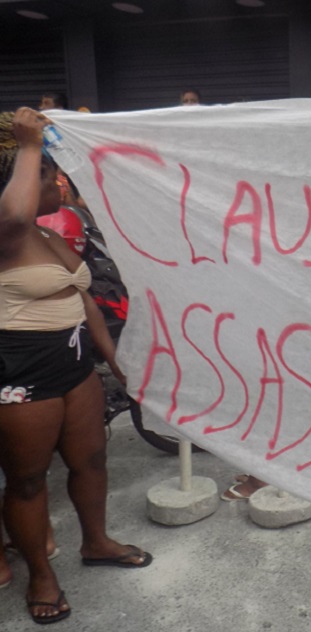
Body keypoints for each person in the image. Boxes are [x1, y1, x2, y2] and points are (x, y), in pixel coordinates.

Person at [0, 108, 152, 625]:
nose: (59, 180)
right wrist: (27, 146)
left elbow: (85, 302)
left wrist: (117, 359)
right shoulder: (7, 235)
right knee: (27, 481)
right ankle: (41, 575)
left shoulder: (51, 238)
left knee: (91, 461)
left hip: (75, 368)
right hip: (23, 375)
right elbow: (14, 216)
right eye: (47, 173)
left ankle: (97, 542)